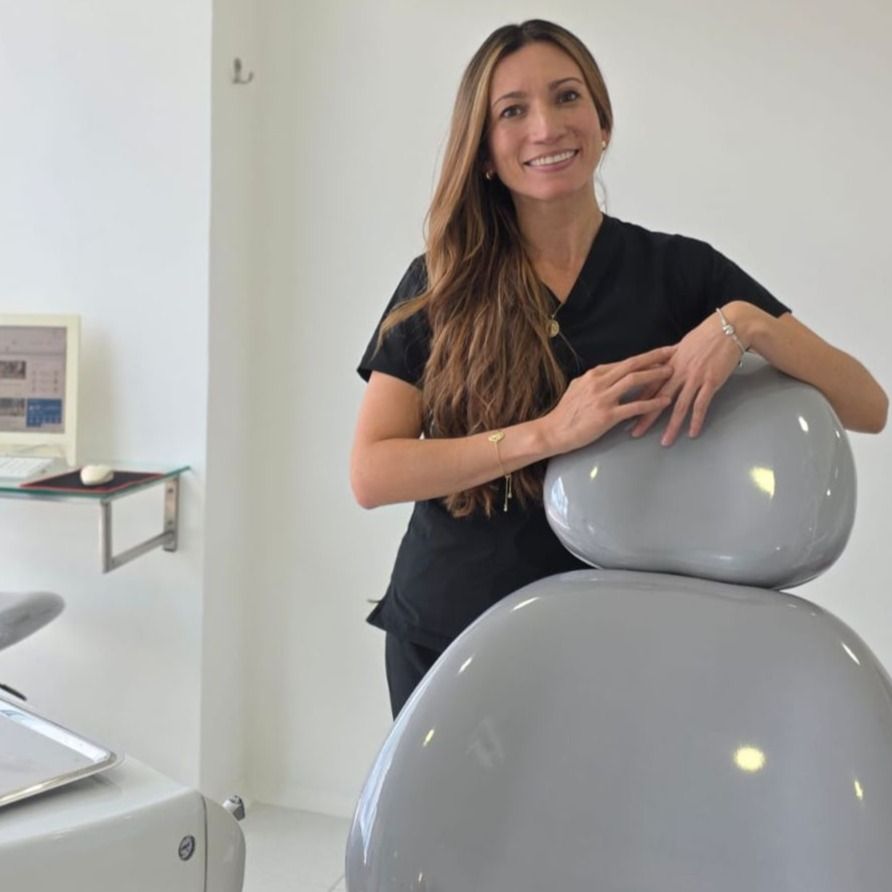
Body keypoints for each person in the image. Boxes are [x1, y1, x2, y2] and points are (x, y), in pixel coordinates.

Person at [351, 19, 888, 718]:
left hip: (614, 646)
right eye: (512, 111)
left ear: (602, 122)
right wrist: (548, 433)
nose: (547, 127)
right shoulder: (439, 283)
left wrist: (746, 323)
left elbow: (867, 405)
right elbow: (373, 472)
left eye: (567, 97)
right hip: (450, 638)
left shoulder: (680, 272)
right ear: (483, 151)